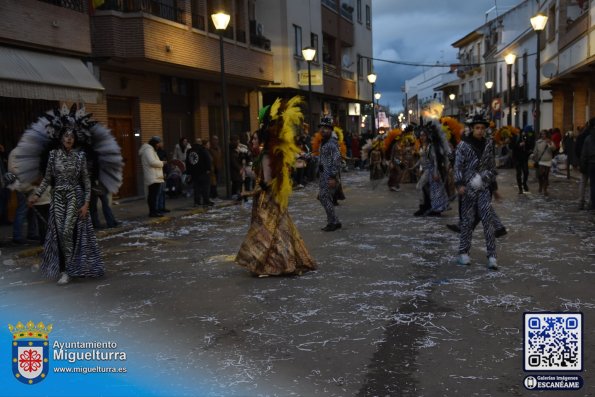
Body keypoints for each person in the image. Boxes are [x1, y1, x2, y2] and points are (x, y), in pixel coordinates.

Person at [235, 97, 316, 276]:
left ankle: (272, 264)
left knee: (268, 231)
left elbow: (268, 179)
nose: (252, 141)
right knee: (279, 230)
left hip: (268, 199)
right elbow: (263, 175)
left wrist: (256, 188)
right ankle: (281, 262)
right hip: (271, 197)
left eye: (254, 138)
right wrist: (248, 171)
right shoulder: (266, 154)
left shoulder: (266, 155)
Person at [28, 123, 104, 284]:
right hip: (57, 197)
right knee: (59, 234)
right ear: (61, 138)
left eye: (72, 136)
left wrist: (86, 204)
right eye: (66, 136)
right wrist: (36, 195)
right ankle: (65, 269)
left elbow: (86, 180)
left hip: (75, 196)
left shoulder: (80, 156)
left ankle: (69, 270)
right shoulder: (53, 155)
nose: (69, 139)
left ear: (74, 140)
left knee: (67, 232)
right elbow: (47, 179)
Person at [454, 115, 498, 270]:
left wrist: (490, 183)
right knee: (467, 221)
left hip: (484, 188)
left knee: (488, 221)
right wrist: (459, 184)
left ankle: (492, 256)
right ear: (472, 129)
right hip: (468, 189)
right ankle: (463, 252)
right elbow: (458, 167)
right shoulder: (463, 146)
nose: (480, 131)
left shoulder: (489, 144)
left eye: (482, 128)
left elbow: (492, 168)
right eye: (477, 128)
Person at [413, 122, 450, 216]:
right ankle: (429, 207)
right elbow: (422, 159)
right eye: (420, 135)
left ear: (428, 136)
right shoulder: (422, 146)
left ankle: (424, 208)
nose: (422, 137)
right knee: (428, 190)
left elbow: (435, 161)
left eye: (424, 135)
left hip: (431, 170)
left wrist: (435, 172)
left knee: (420, 186)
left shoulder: (431, 147)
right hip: (424, 170)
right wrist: (414, 166)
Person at [318, 116, 342, 231]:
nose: (322, 130)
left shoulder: (332, 143)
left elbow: (337, 159)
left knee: (324, 197)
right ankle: (334, 221)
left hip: (329, 176)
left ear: (331, 129)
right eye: (321, 127)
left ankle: (333, 222)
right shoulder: (323, 142)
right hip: (323, 176)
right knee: (324, 198)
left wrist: (333, 176)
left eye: (326, 128)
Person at [139, 136, 167, 217]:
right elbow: (152, 162)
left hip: (154, 176)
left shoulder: (151, 150)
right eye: (158, 143)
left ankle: (154, 211)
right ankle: (153, 212)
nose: (159, 145)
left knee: (153, 195)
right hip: (152, 177)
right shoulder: (148, 150)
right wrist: (162, 163)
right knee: (153, 196)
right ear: (155, 143)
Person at [185, 140, 213, 207]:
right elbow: (208, 160)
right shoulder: (203, 150)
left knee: (196, 188)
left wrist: (189, 172)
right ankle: (206, 201)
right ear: (200, 144)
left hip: (194, 173)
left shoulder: (189, 151)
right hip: (203, 172)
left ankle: (197, 202)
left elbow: (187, 162)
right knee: (205, 187)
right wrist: (209, 169)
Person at [510, 126, 535, 194]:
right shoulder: (513, 137)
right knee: (519, 173)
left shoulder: (524, 137)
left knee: (526, 172)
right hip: (517, 157)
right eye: (516, 130)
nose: (517, 131)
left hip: (524, 157)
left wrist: (528, 146)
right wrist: (519, 145)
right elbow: (511, 146)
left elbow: (529, 144)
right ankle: (520, 188)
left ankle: (524, 183)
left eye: (518, 130)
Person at [575, 119, 593, 210]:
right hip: (589, 161)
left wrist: (579, 161)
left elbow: (577, 150)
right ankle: (590, 202)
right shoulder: (589, 137)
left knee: (583, 182)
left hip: (583, 161)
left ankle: (581, 202)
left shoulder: (581, 136)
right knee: (591, 183)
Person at [533, 130, 556, 196]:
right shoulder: (538, 142)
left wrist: (549, 144)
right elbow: (535, 151)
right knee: (540, 174)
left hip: (548, 160)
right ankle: (540, 186)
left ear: (546, 135)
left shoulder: (550, 141)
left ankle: (545, 189)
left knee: (546, 175)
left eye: (544, 134)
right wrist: (534, 157)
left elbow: (554, 149)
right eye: (542, 134)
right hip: (541, 160)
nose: (543, 135)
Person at [580, 121, 595, 210]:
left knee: (592, 185)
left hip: (591, 163)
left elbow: (584, 153)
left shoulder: (588, 138)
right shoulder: (588, 137)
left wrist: (583, 164)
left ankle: (592, 204)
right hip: (591, 163)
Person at [0, 144, 11, 225]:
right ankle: (3, 219)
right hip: (2, 183)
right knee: (2, 201)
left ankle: (4, 218)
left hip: (4, 182)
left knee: (5, 201)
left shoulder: (2, 156)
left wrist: (3, 152)